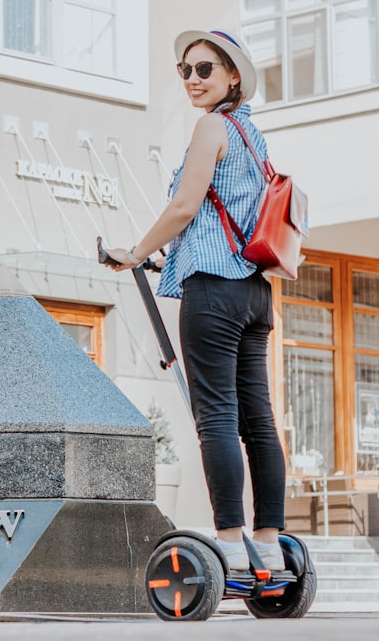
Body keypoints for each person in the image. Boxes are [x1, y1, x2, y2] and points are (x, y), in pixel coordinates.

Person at [105, 29, 286, 572]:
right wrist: (169, 257)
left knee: (217, 419)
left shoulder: (211, 126)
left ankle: (230, 541)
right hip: (255, 292)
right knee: (259, 420)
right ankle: (271, 545)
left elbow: (185, 206)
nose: (192, 80)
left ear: (233, 76)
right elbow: (216, 218)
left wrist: (137, 251)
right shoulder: (254, 139)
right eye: (184, 70)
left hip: (215, 292)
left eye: (204, 69)